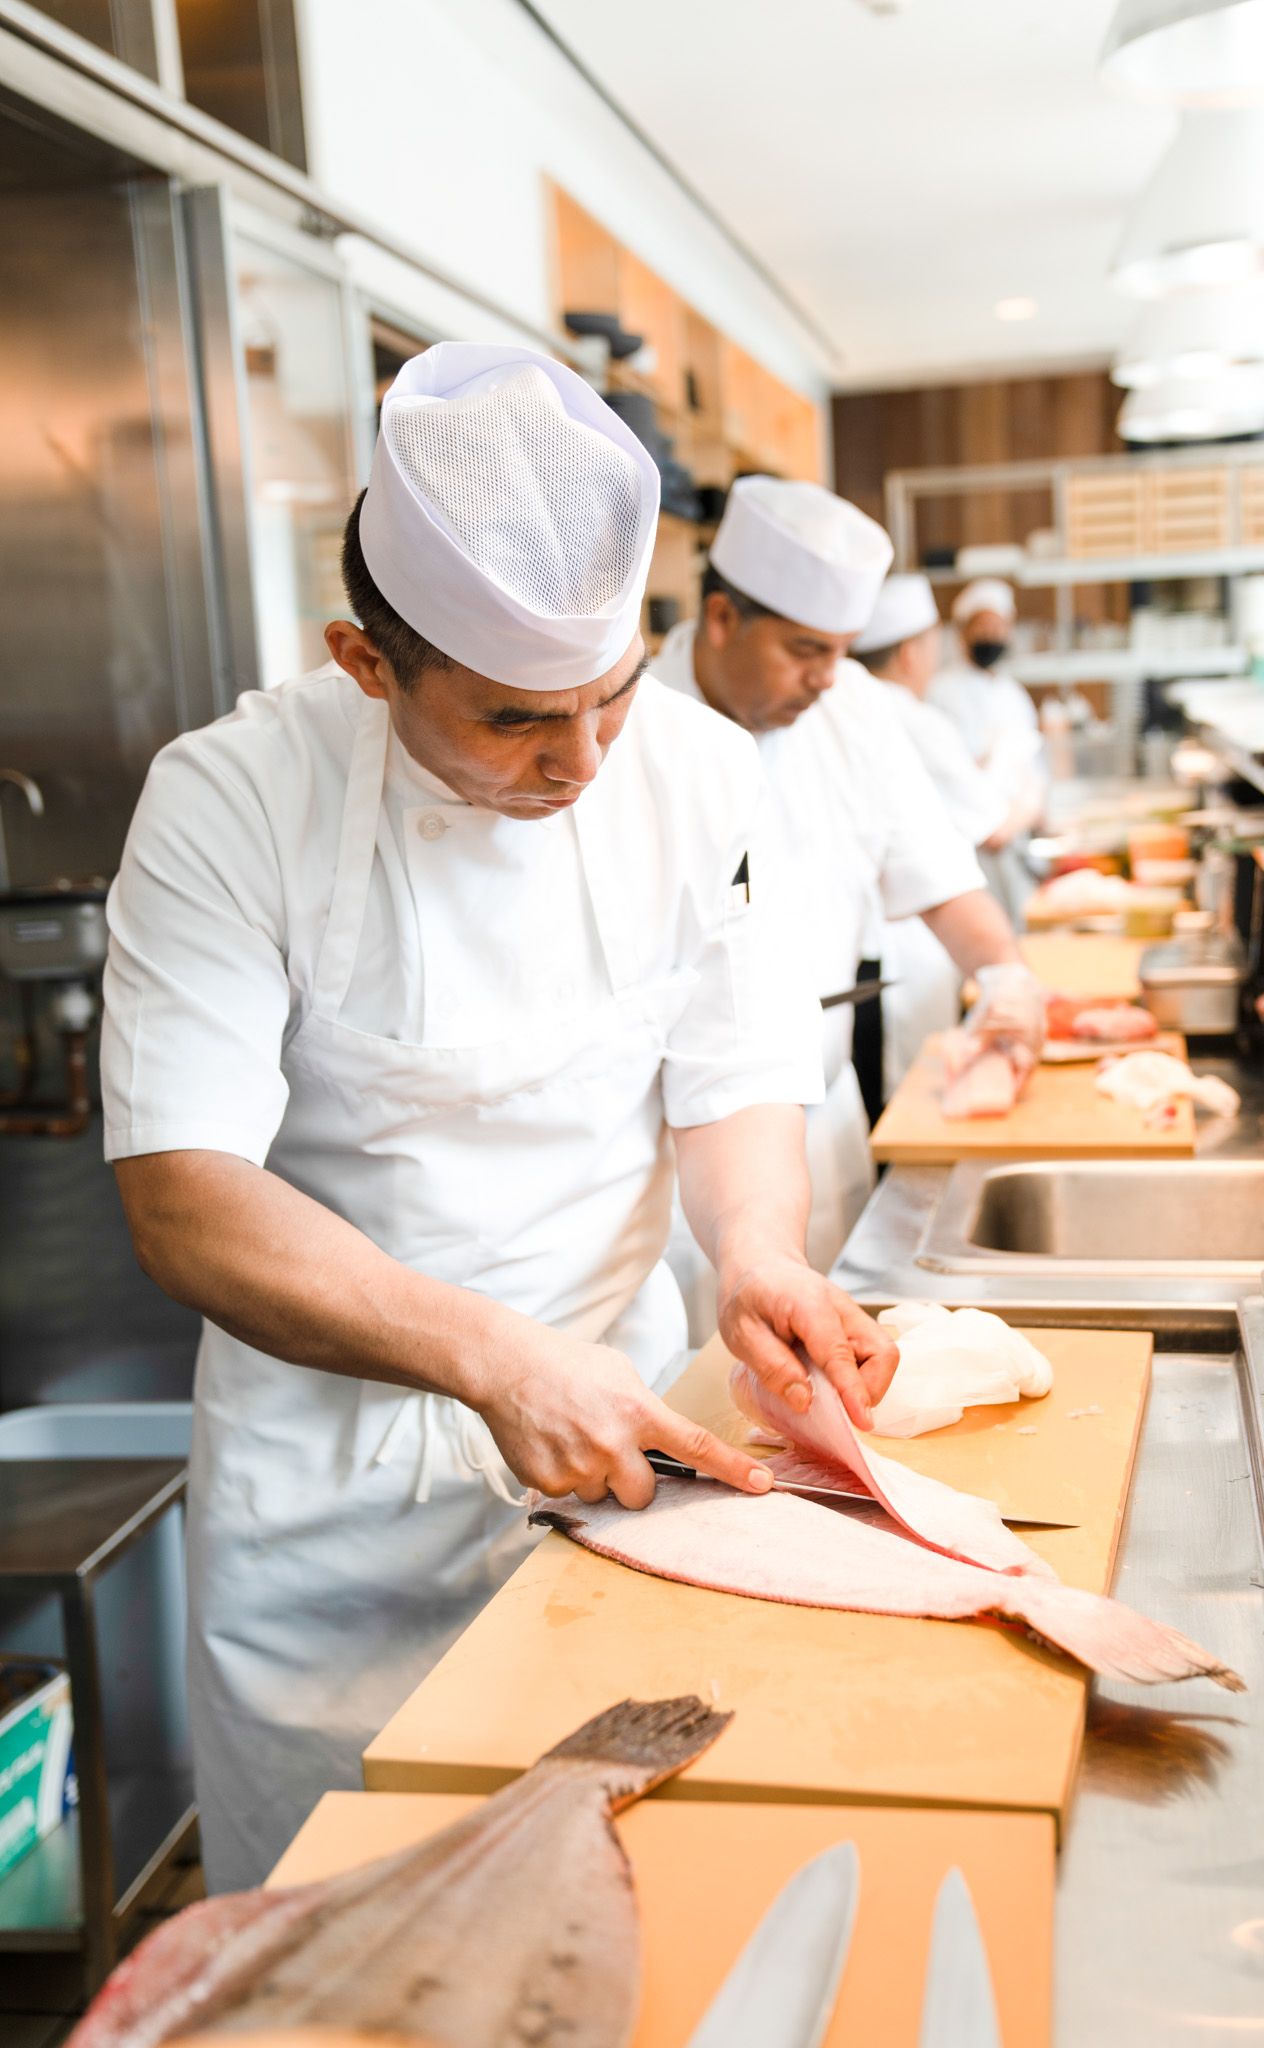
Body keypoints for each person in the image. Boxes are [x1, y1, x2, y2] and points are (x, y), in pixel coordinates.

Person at [101, 345, 897, 1891]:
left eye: (612, 696)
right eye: (518, 720)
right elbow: (183, 1196)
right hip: (337, 1490)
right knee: (348, 1928)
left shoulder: (696, 771)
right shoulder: (232, 803)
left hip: (632, 1442)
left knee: (622, 1903)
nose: (584, 763)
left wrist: (754, 1257)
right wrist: (488, 1359)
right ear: (365, 660)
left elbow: (728, 1067)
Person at [652, 479, 1042, 1316]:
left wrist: (1004, 976)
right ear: (721, 619)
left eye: (840, 649)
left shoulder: (853, 710)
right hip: (677, 1151)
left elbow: (941, 878)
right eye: (804, 651)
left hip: (821, 1123)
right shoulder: (632, 726)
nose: (828, 677)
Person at [851, 573, 1011, 1090]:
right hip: (909, 946)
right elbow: (991, 819)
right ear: (909, 654)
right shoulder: (912, 720)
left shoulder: (836, 714)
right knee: (913, 1092)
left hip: (849, 960)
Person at [928, 578, 1047, 923]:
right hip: (971, 847)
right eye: (983, 628)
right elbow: (953, 778)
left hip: (1014, 841)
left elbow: (1033, 771)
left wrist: (1025, 816)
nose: (991, 636)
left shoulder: (1014, 694)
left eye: (998, 627)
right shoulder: (942, 693)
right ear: (963, 633)